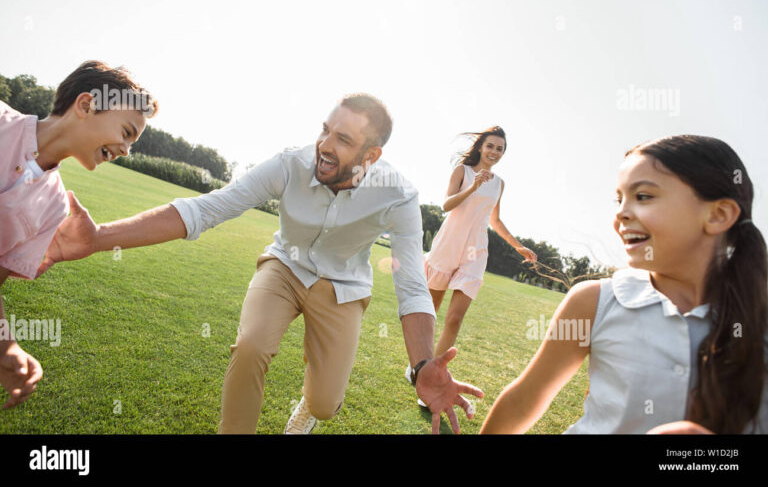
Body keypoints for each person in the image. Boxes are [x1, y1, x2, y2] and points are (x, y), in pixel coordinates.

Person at [38, 93, 483, 434]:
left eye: (343, 140)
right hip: (283, 267)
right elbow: (208, 209)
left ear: (371, 156)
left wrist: (423, 365)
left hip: (343, 286)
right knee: (250, 347)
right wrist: (99, 238)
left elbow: (410, 286)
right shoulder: (289, 164)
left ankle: (309, 407)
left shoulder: (399, 195)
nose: (324, 147)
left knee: (326, 404)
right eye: (325, 130)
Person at [480, 134, 768, 434]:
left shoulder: (757, 320)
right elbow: (525, 399)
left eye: (643, 196)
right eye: (619, 199)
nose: (620, 214)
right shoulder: (596, 301)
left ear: (718, 215)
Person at [0, 60, 156, 409]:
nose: (126, 151)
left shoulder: (55, 207)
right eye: (127, 133)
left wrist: (7, 348)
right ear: (87, 105)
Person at [407, 127, 536, 402]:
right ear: (481, 147)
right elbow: (446, 205)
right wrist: (474, 185)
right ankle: (417, 365)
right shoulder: (462, 171)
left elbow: (495, 220)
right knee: (431, 312)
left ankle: (432, 379)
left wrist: (518, 245)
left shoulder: (499, 183)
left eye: (500, 149)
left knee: (454, 318)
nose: (494, 152)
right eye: (491, 146)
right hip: (448, 245)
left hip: (475, 251)